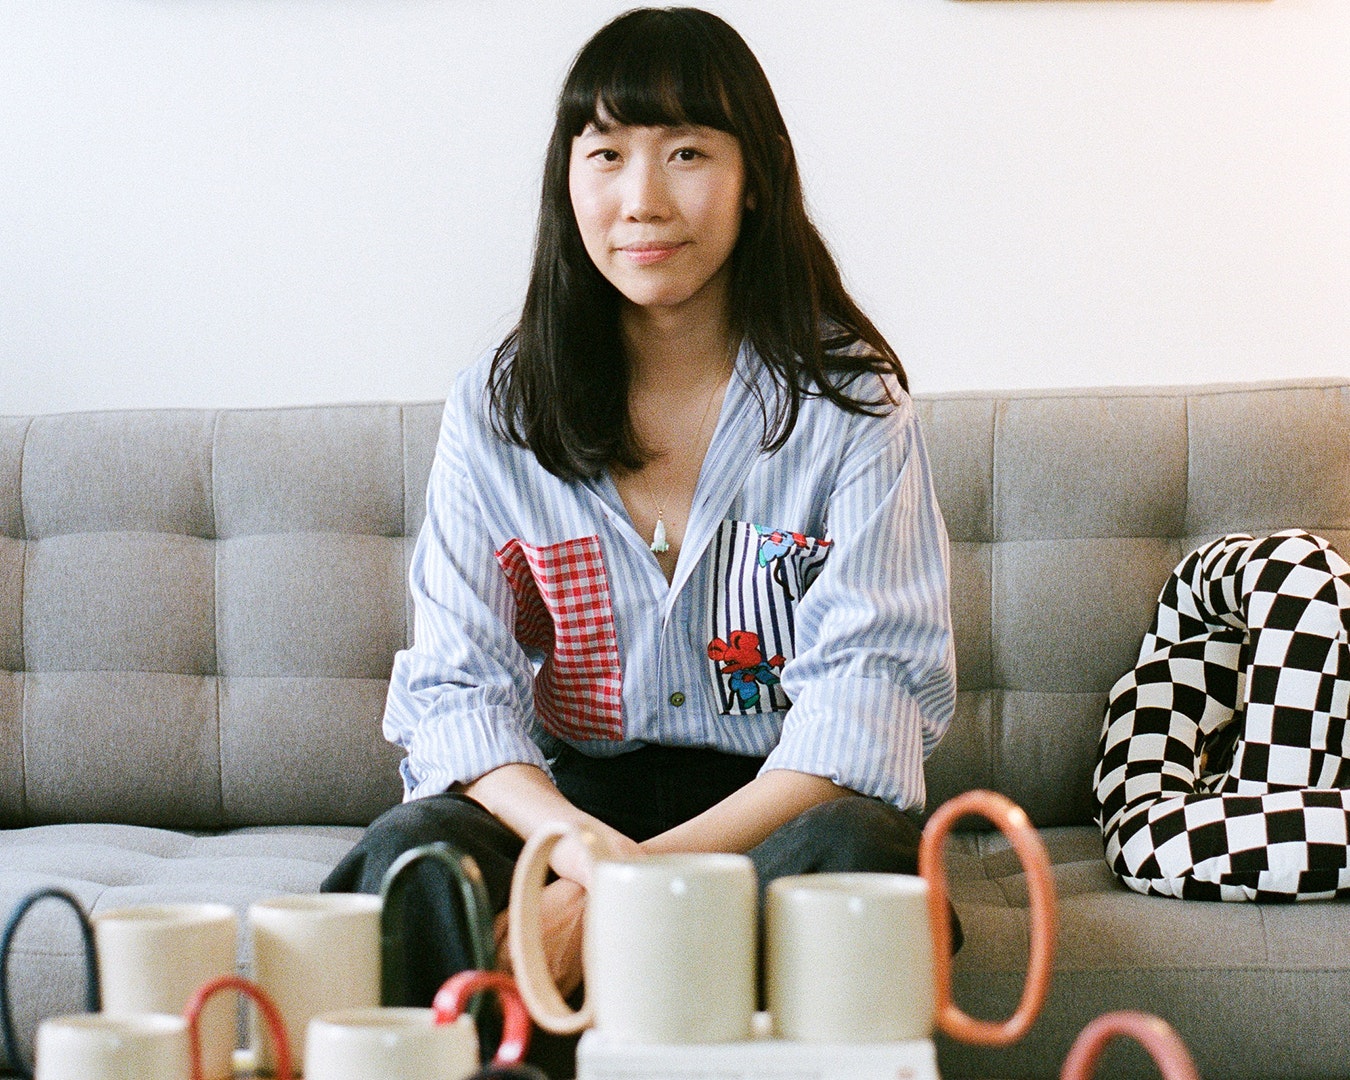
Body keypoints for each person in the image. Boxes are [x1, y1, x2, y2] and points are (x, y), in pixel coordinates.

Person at [323, 7, 956, 1073]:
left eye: (688, 153)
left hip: (773, 810)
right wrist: (573, 852)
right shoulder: (497, 405)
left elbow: (865, 710)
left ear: (755, 178)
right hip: (569, 806)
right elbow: (457, 691)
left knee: (856, 861)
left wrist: (626, 895)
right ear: (567, 182)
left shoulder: (851, 403)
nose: (642, 199)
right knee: (415, 854)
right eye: (607, 154)